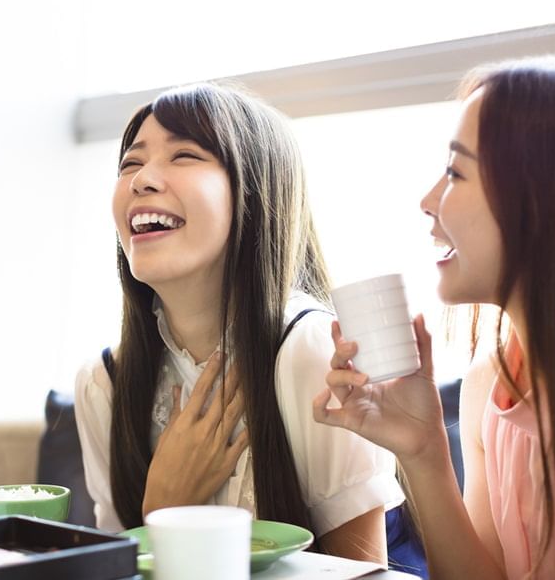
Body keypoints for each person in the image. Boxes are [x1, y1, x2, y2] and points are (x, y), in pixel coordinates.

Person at [314, 56, 555, 579]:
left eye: (454, 172)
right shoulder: (491, 380)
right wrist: (423, 451)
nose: (427, 201)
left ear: (551, 195)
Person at [75, 83, 403, 562]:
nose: (142, 179)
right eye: (130, 162)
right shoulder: (103, 383)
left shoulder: (311, 353)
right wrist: (162, 508)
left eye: (184, 155)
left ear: (255, 191)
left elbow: (363, 573)